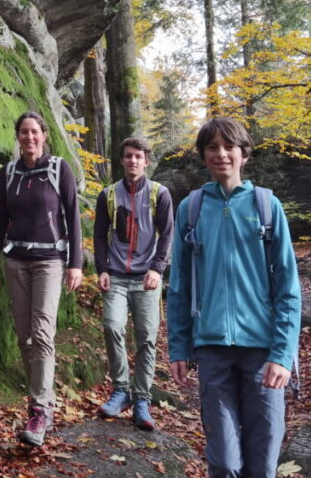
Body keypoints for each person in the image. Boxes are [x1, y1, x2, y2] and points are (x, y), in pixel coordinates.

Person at [166, 118, 301, 478]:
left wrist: (283, 355)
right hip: (212, 351)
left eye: (229, 147)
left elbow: (289, 287)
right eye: (212, 147)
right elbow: (178, 285)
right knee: (225, 464)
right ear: (203, 155)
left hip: (263, 352)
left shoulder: (267, 206)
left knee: (263, 465)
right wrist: (179, 347)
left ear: (244, 154)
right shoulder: (190, 209)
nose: (221, 154)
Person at [0, 111, 82, 448]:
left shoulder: (59, 169)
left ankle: (38, 409)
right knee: (25, 336)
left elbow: (72, 215)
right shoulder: (8, 173)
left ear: (44, 135)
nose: (29, 138)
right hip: (15, 262)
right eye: (23, 133)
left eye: (34, 132)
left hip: (50, 262)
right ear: (18, 137)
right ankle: (44, 400)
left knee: (42, 333)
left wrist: (76, 264)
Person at [93, 136, 173, 430]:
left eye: (138, 156)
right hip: (115, 274)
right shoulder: (108, 195)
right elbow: (100, 235)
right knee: (112, 326)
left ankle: (141, 399)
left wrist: (157, 268)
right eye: (128, 156)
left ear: (146, 161)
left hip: (146, 278)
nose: (133, 161)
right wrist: (101, 268)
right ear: (122, 159)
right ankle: (120, 390)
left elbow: (167, 233)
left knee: (147, 337)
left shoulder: (159, 194)